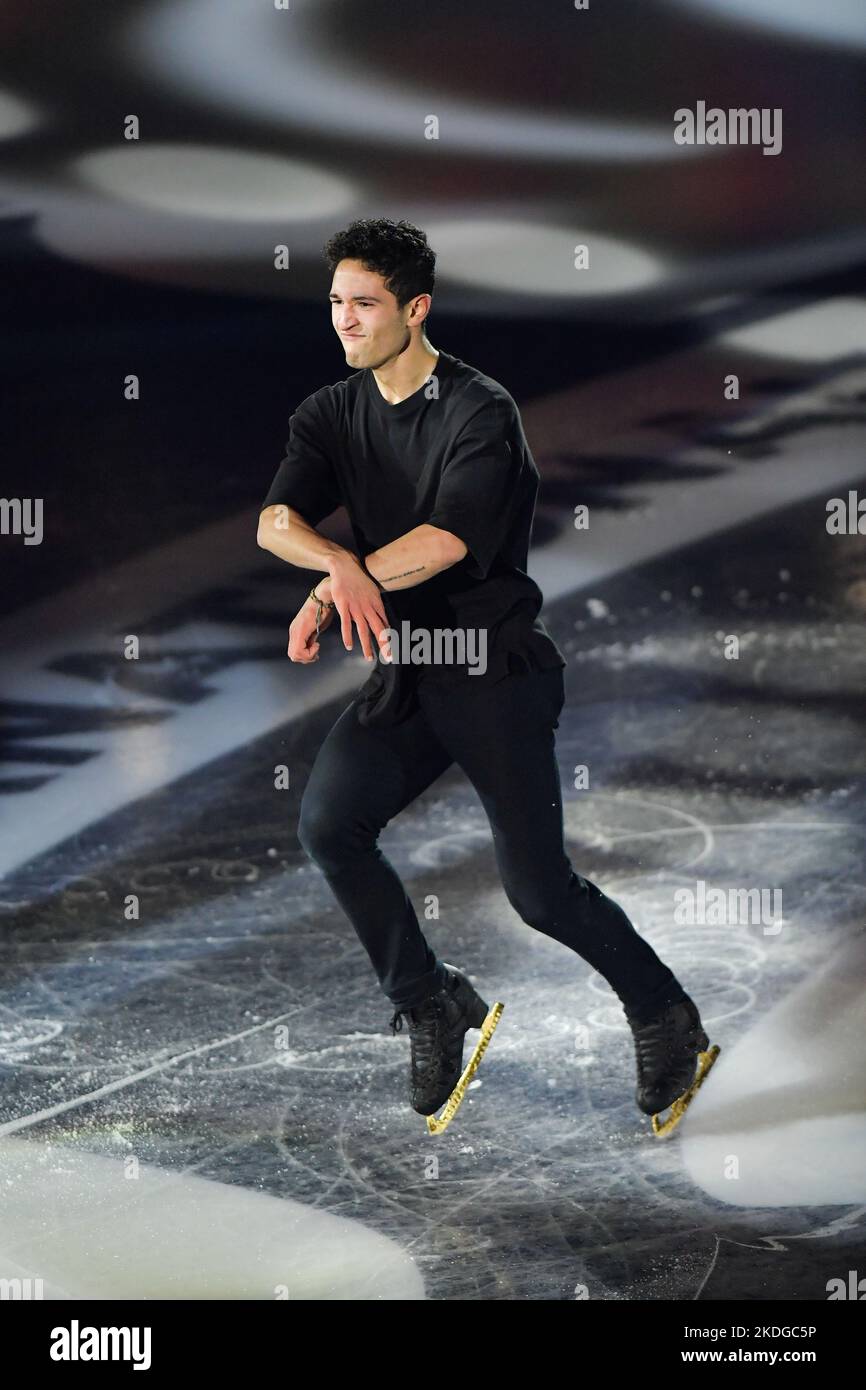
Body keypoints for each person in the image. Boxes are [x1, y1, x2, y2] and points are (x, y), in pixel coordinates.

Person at [257, 217, 713, 1127]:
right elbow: (274, 523)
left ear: (415, 309)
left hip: (493, 671)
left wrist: (333, 583)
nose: (345, 322)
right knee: (329, 826)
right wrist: (333, 572)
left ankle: (666, 1013)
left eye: (365, 305)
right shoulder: (330, 412)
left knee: (540, 893)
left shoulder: (479, 409)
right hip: (409, 674)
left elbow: (442, 544)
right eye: (337, 304)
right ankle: (431, 999)